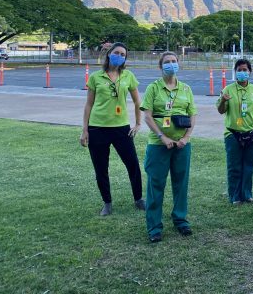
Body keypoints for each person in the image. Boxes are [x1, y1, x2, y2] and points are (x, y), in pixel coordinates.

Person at [80, 42, 144, 216]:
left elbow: (139, 102)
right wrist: (85, 130)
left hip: (121, 129)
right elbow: (89, 104)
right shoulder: (95, 77)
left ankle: (138, 198)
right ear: (109, 54)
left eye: (123, 54)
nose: (120, 56)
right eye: (117, 53)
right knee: (101, 168)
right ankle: (107, 202)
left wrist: (138, 123)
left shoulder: (128, 76)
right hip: (97, 128)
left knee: (133, 165)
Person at [140, 52, 197, 242]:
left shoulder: (186, 89)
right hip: (159, 145)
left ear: (178, 64)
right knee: (156, 184)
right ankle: (154, 227)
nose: (171, 65)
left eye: (174, 61)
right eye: (167, 62)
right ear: (160, 66)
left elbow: (192, 115)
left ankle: (180, 220)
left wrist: (186, 137)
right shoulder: (153, 88)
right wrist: (162, 137)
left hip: (181, 146)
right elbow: (147, 116)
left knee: (181, 184)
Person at [216, 59, 253, 205]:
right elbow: (220, 111)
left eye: (245, 70)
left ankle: (247, 194)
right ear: (235, 72)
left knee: (249, 165)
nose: (242, 72)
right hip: (233, 134)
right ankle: (235, 196)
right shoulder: (228, 90)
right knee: (234, 166)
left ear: (250, 72)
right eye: (239, 70)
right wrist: (223, 101)